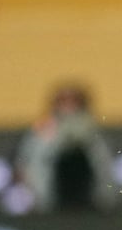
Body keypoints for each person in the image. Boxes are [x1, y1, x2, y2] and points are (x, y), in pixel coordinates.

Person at [14, 82, 116, 213]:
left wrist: (104, 199)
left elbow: (104, 166)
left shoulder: (94, 131)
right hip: (49, 202)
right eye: (63, 101)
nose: (68, 106)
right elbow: (26, 164)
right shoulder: (42, 131)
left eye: (74, 101)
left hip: (90, 204)